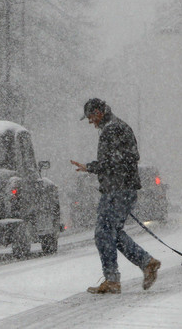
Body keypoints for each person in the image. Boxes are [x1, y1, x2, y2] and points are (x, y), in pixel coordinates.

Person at [71, 98, 161, 294]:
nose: (90, 121)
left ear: (99, 112)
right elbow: (126, 158)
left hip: (117, 190)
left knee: (103, 233)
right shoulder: (118, 127)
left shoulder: (112, 129)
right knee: (113, 232)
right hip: (123, 189)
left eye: (90, 116)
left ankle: (112, 279)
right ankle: (147, 263)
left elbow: (114, 161)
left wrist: (91, 167)